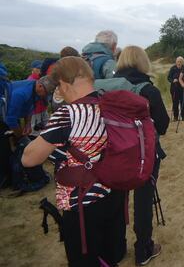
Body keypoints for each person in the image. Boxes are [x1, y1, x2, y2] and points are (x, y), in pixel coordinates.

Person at [22, 57, 126, 267]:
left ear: (65, 83)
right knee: (108, 256)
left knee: (83, 260)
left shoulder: (67, 114)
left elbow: (29, 159)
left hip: (82, 203)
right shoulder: (110, 104)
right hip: (115, 193)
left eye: (58, 86)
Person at [114, 46, 168, 265]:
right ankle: (143, 247)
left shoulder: (104, 86)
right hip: (144, 154)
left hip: (114, 152)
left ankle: (115, 247)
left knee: (116, 198)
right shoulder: (148, 89)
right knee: (143, 200)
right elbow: (163, 125)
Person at [167, 56, 184, 122]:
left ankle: (183, 117)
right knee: (175, 103)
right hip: (174, 88)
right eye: (178, 61)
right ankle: (175, 117)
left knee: (183, 102)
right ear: (176, 62)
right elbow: (168, 78)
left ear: (183, 62)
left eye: (180, 61)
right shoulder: (173, 68)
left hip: (182, 88)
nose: (179, 63)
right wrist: (173, 80)